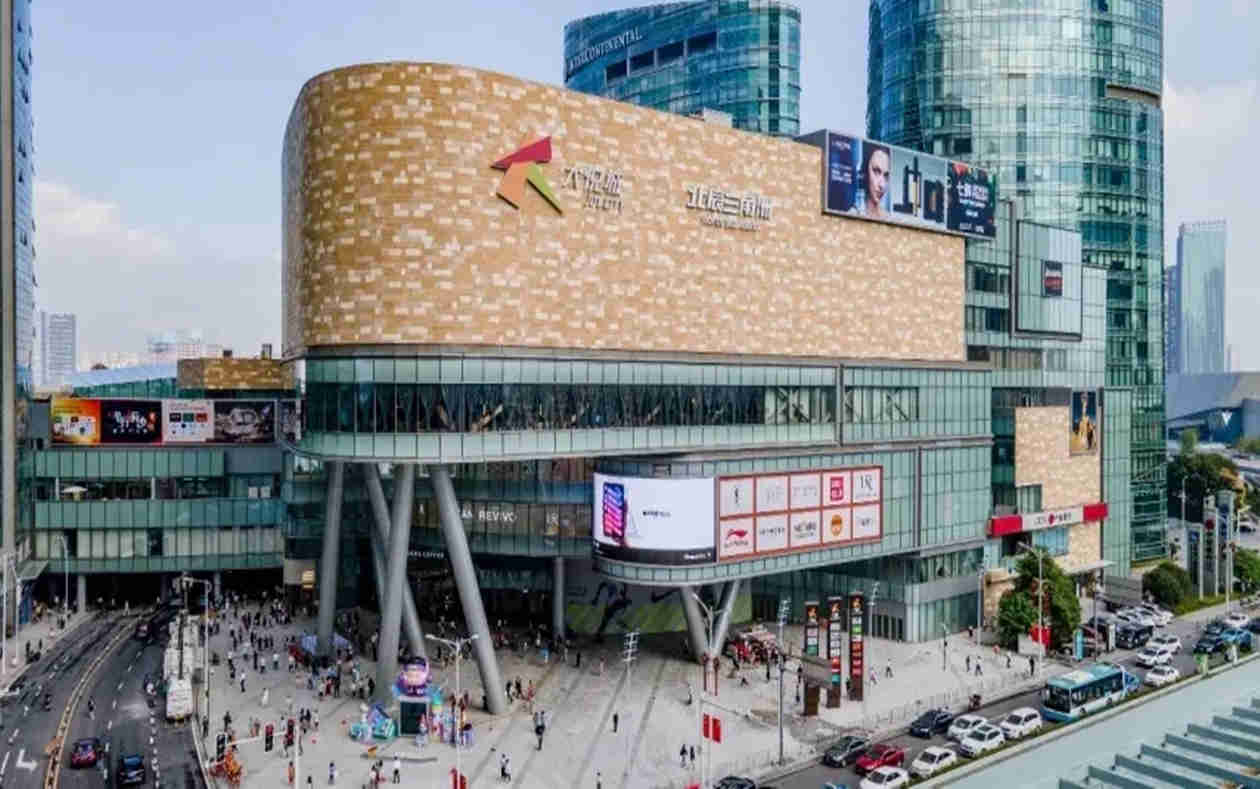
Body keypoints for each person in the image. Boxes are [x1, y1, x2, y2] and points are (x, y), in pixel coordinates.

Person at [854, 143, 891, 218]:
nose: (882, 185)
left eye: (886, 175)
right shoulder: (852, 214)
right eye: (876, 172)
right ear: (865, 172)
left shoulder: (889, 218)